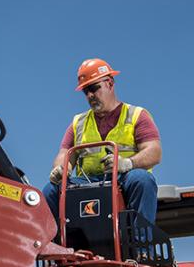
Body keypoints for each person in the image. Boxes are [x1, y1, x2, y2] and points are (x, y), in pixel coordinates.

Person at [42, 58, 162, 226]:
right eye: (86, 91)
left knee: (142, 180)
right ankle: (56, 246)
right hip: (89, 181)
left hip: (124, 177)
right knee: (51, 190)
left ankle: (140, 246)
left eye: (94, 88)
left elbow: (154, 151)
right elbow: (64, 154)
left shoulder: (136, 115)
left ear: (110, 83)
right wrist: (61, 169)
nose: (90, 95)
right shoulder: (79, 122)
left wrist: (127, 163)